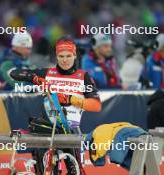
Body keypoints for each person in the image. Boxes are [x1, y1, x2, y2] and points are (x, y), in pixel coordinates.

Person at [9, 36, 102, 175]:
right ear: (56, 56)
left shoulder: (83, 76)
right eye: (61, 56)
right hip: (48, 130)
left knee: (76, 171)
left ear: (75, 55)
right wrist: (34, 78)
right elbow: (14, 73)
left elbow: (96, 105)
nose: (65, 60)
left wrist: (71, 99)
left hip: (70, 130)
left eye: (68, 56)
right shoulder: (48, 73)